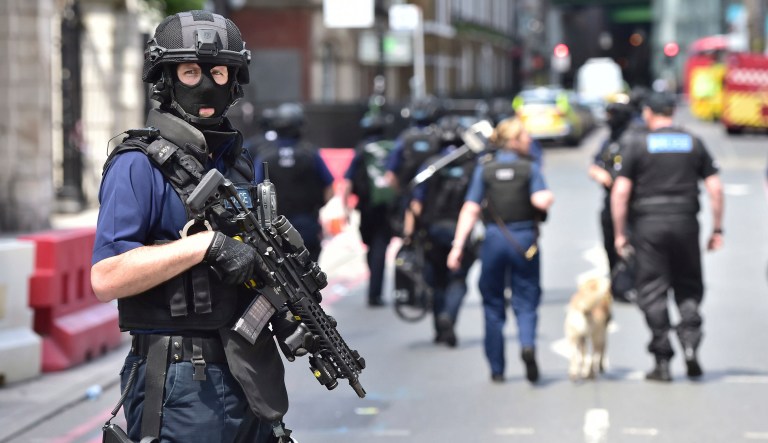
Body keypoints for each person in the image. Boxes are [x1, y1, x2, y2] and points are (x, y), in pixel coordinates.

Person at [91, 11, 301, 442]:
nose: (206, 84)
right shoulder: (138, 165)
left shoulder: (239, 165)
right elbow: (106, 277)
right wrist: (204, 246)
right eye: (189, 72)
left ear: (235, 81)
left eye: (218, 72)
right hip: (181, 379)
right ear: (166, 80)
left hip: (251, 372)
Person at [611, 91, 724, 382]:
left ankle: (662, 358)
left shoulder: (637, 144)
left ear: (648, 112)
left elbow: (620, 192)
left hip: (649, 225)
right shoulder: (693, 142)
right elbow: (715, 189)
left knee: (652, 290)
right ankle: (690, 343)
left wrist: (620, 233)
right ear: (673, 111)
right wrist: (717, 229)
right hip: (686, 223)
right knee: (688, 286)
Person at [447, 117, 554, 383]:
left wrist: (458, 246)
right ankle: (527, 344)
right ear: (514, 140)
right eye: (525, 135)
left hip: (494, 240)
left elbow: (470, 208)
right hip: (524, 240)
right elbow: (540, 200)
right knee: (526, 299)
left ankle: (497, 369)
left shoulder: (486, 169)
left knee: (493, 304)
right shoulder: (530, 168)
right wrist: (547, 199)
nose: (530, 139)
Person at [407, 115, 479, 347]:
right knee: (458, 280)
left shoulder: (430, 166)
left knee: (437, 280)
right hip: (461, 232)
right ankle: (449, 316)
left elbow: (415, 204)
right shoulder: (471, 166)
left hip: (432, 232)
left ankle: (439, 326)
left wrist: (410, 234)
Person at [252, 102, 335, 263]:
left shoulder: (265, 155)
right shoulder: (311, 153)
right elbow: (330, 188)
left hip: (275, 229)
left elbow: (256, 190)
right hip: (307, 225)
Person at [342, 111, 397, 307]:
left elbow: (348, 180)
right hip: (388, 208)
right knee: (381, 247)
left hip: (366, 207)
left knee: (372, 246)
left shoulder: (361, 150)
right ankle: (376, 292)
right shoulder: (393, 147)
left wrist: (345, 208)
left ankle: (373, 288)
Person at [588, 100, 637, 302]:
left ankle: (631, 285)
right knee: (610, 245)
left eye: (612, 115)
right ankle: (617, 286)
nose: (608, 120)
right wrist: (598, 173)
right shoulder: (610, 140)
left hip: (633, 204)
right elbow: (595, 163)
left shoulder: (635, 139)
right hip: (610, 202)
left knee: (631, 245)